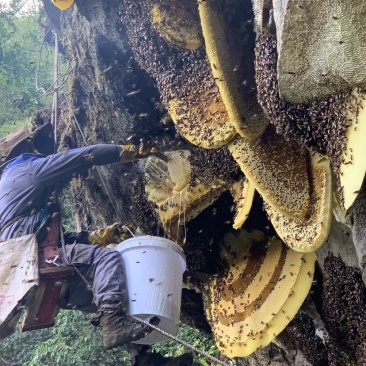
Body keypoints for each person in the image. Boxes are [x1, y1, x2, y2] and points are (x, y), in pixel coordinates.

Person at [0, 123, 193, 366]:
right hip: (30, 263)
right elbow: (82, 157)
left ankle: (144, 358)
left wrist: (98, 237)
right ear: (27, 150)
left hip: (28, 271)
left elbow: (48, 238)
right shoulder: (25, 170)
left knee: (121, 290)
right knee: (108, 260)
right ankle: (112, 323)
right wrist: (125, 151)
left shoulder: (12, 193)